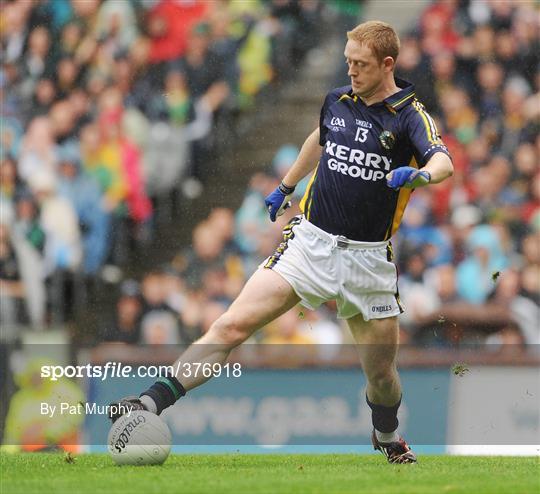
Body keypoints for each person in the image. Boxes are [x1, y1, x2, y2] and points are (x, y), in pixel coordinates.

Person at [109, 21, 453, 464]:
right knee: (231, 325)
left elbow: (444, 160)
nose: (351, 70)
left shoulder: (409, 115)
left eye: (361, 64)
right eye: (348, 61)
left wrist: (422, 173)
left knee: (382, 375)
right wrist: (287, 184)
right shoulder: (337, 100)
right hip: (309, 244)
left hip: (368, 263)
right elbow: (320, 137)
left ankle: (387, 437)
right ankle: (148, 402)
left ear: (387, 64)